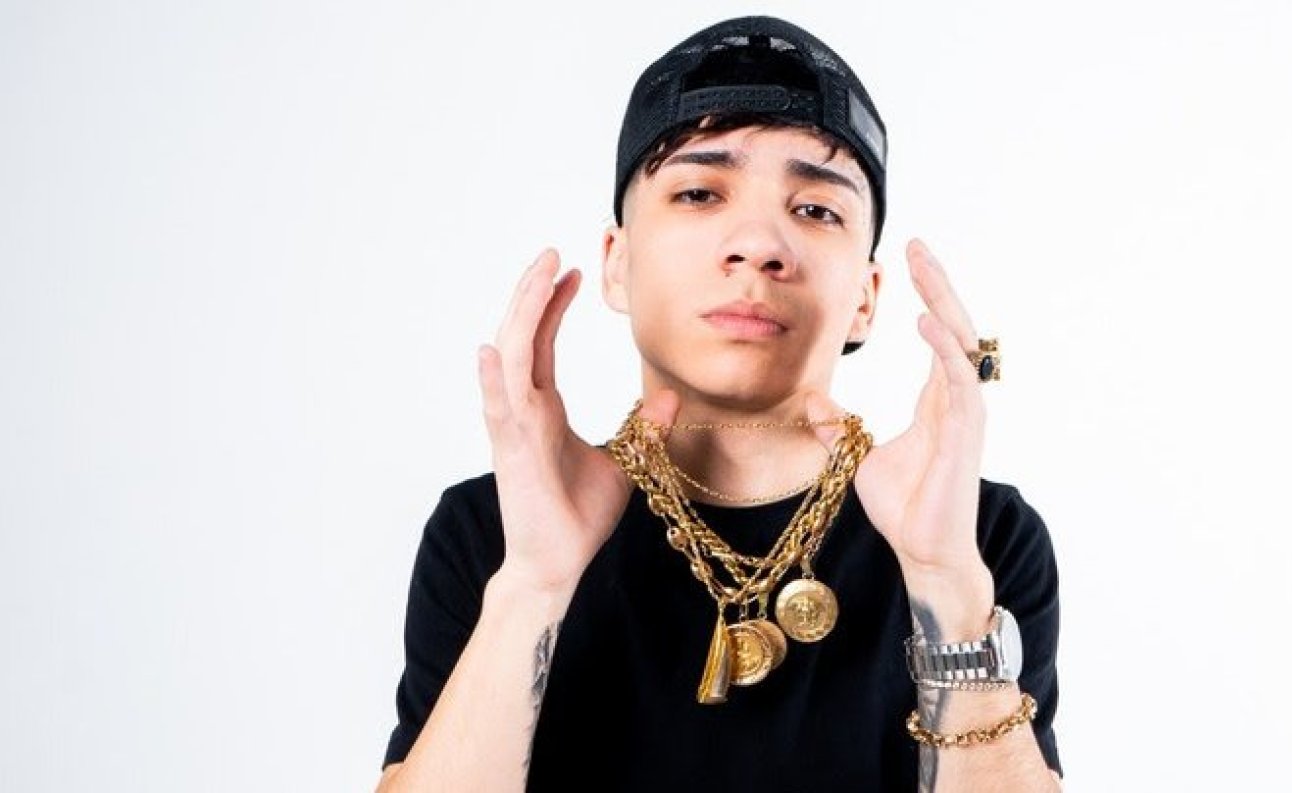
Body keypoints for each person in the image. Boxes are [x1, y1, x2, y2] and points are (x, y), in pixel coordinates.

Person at [375, 15, 1063, 792]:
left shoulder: (979, 536)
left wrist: (945, 581)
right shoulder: (492, 528)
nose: (759, 243)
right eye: (699, 192)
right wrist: (533, 583)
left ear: (867, 298)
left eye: (816, 210)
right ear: (617, 264)